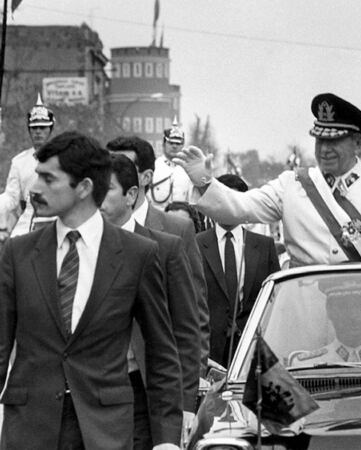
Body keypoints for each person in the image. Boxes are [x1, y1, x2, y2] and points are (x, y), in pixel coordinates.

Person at [174, 92, 361, 345]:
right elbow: (240, 207)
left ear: (357, 142)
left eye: (334, 141)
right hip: (301, 325)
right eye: (319, 140)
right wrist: (203, 179)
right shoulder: (293, 184)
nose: (324, 149)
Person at [0, 131, 182, 449]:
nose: (34, 189)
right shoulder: (18, 253)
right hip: (29, 429)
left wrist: (167, 439)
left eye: (48, 178)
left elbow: (161, 351)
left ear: (84, 187)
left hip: (105, 429)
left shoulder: (137, 254)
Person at [101, 153, 201, 448]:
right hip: (92, 392)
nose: (94, 198)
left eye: (105, 189)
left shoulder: (164, 249)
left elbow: (185, 332)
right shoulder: (81, 249)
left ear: (131, 195)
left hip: (144, 392)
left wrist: (183, 406)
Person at [107, 135, 210, 372]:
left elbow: (194, 316)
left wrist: (191, 386)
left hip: (156, 379)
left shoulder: (176, 231)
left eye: (124, 166)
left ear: (145, 177)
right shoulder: (91, 231)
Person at [196, 174, 280, 365]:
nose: (227, 209)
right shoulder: (196, 244)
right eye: (222, 202)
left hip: (253, 347)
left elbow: (274, 300)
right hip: (209, 349)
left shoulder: (264, 246)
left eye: (233, 202)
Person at [0, 93, 56, 240]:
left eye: (43, 128)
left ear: (50, 129)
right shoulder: (19, 161)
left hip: (58, 216)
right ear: (29, 130)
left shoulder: (63, 157)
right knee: (14, 249)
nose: (38, 132)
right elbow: (11, 197)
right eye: (34, 127)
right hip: (29, 218)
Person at [149, 118, 197, 210]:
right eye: (171, 143)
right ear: (163, 144)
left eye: (178, 143)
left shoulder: (188, 170)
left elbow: (193, 202)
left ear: (183, 146)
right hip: (157, 218)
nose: (174, 146)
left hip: (180, 220)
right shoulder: (154, 166)